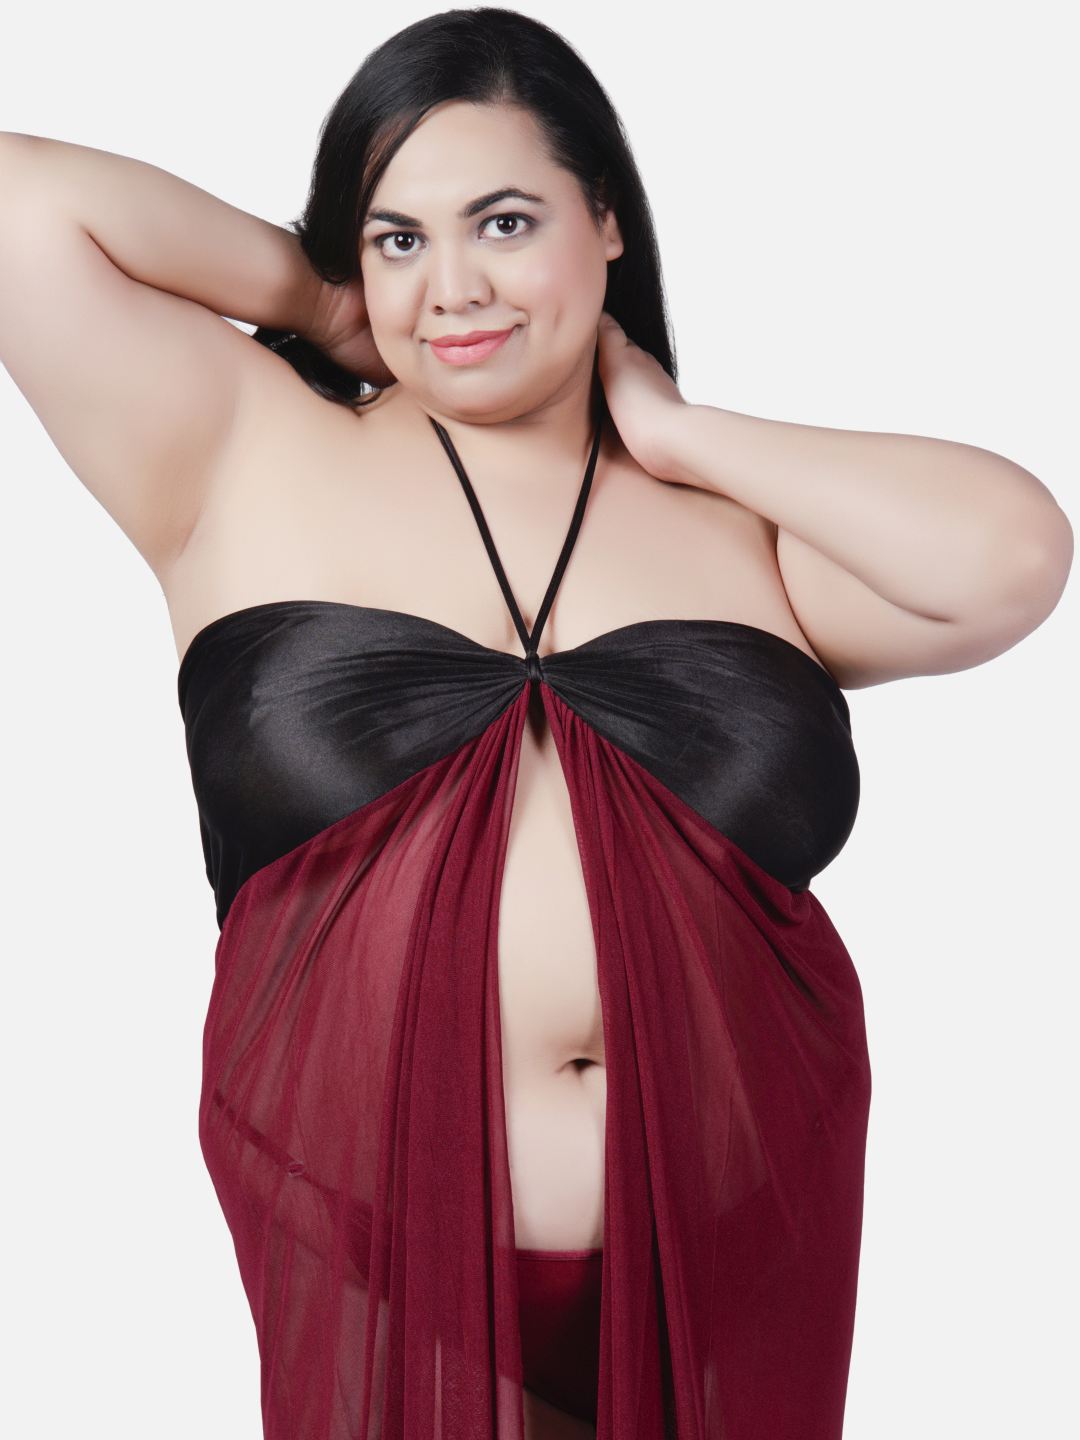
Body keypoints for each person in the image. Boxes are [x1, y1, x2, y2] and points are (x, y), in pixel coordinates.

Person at [0, 8, 1071, 1439]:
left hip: (733, 1234)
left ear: (606, 223)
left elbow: (1012, 557)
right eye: (400, 238)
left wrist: (681, 434)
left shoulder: (742, 534)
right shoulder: (237, 448)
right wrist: (324, 300)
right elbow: (19, 201)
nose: (453, 287)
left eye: (503, 223)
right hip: (373, 1235)